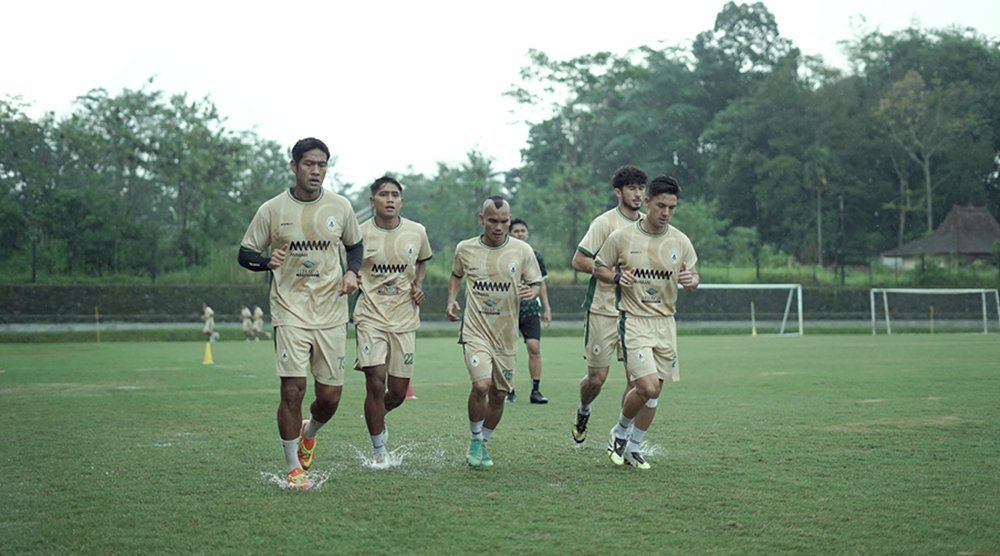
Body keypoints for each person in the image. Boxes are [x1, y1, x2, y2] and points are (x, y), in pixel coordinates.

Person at [238, 137, 363, 489]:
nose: (316, 171)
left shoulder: (339, 207)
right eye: (309, 164)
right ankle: (293, 467)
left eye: (322, 164)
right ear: (294, 166)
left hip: (332, 310)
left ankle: (310, 433)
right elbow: (245, 253)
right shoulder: (273, 209)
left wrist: (352, 272)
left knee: (330, 397)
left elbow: (355, 246)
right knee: (293, 389)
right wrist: (266, 261)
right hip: (289, 310)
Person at [592, 176, 698, 469]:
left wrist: (692, 281)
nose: (666, 212)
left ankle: (634, 446)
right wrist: (615, 276)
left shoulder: (680, 241)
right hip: (634, 319)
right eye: (661, 205)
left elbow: (693, 275)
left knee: (654, 395)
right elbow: (599, 266)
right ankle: (620, 431)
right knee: (647, 387)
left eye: (672, 207)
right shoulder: (622, 237)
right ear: (648, 202)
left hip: (665, 322)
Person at [446, 196, 542, 468]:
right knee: (481, 385)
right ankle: (475, 438)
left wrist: (530, 291)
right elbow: (456, 275)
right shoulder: (465, 248)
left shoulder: (522, 250)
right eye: (493, 221)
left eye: (504, 221)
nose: (499, 227)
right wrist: (452, 300)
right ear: (481, 219)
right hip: (476, 330)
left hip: (506, 335)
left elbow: (535, 283)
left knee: (499, 394)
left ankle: (483, 442)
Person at [353, 176, 432, 464]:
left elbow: (422, 260)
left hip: (404, 318)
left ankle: (376, 415)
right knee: (375, 382)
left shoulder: (417, 231)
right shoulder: (358, 234)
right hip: (370, 316)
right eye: (383, 194)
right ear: (372, 200)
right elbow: (348, 266)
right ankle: (378, 451)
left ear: (402, 201)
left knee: (397, 392)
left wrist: (418, 285)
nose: (389, 199)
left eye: (395, 195)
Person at [570, 165, 648, 444]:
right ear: (618, 192)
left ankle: (622, 435)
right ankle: (584, 409)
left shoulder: (648, 226)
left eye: (641, 188)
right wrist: (613, 274)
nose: (638, 194)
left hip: (636, 313)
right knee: (596, 379)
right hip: (603, 310)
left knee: (638, 380)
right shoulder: (604, 223)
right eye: (632, 188)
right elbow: (579, 260)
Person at [506, 218, 551, 404]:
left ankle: (535, 390)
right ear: (510, 234)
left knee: (534, 348)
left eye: (523, 231)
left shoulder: (535, 256)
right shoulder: (505, 255)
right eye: (516, 231)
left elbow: (541, 284)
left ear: (527, 233)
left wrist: (546, 308)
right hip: (508, 310)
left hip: (531, 309)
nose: (520, 234)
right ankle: (508, 389)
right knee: (508, 351)